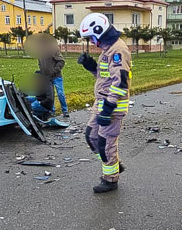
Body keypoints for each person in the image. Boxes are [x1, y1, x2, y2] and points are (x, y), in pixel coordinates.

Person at [77, 13, 132, 193]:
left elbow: (120, 83)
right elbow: (105, 78)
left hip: (111, 106)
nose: (91, 41)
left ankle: (110, 179)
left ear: (100, 32)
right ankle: (114, 164)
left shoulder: (117, 51)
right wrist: (91, 66)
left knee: (105, 143)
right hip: (101, 102)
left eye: (92, 37)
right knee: (91, 136)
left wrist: (108, 108)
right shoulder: (107, 50)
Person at [25, 33, 68, 117]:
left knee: (60, 94)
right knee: (50, 96)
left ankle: (65, 110)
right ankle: (52, 111)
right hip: (47, 78)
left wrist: (55, 70)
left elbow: (61, 61)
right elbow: (40, 63)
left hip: (56, 77)